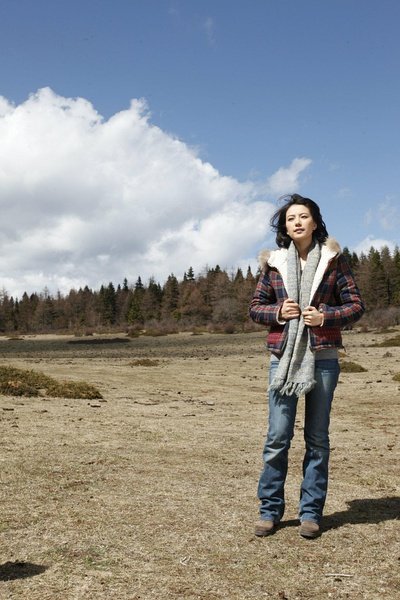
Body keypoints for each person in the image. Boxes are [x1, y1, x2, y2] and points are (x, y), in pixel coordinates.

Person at [249, 194, 365, 539]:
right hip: (282, 360)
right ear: (285, 228)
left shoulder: (333, 260)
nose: (297, 222)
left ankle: (311, 513)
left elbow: (356, 305)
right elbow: (255, 308)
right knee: (277, 437)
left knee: (317, 438)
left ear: (315, 222)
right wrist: (277, 312)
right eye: (290, 218)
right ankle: (269, 510)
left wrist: (325, 316)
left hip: (323, 357)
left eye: (303, 216)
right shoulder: (274, 263)